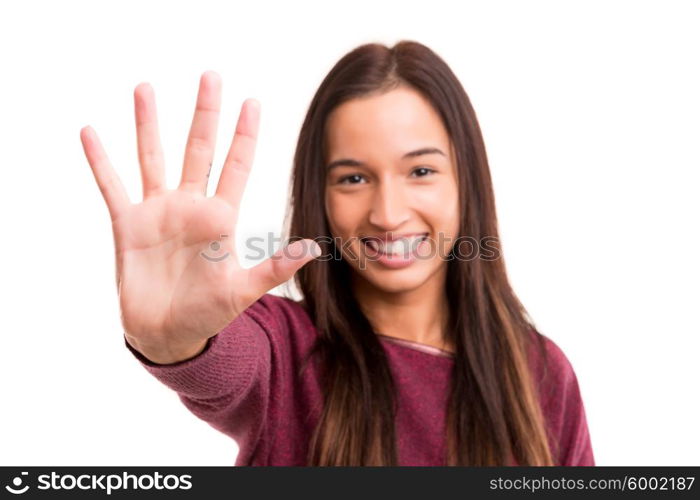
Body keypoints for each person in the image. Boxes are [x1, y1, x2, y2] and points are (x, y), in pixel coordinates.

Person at [80, 40, 594, 466]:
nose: (388, 214)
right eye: (353, 178)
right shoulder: (282, 349)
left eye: (420, 171)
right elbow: (222, 363)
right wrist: (173, 342)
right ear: (318, 198)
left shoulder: (541, 373)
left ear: (467, 183)